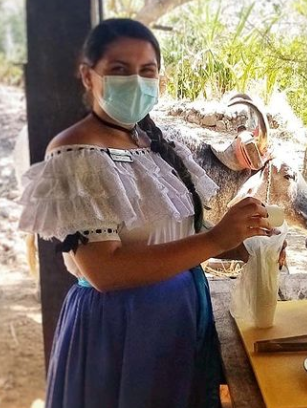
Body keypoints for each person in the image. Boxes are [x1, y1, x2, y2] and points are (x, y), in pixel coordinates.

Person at [18, 18, 274, 408]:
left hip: (177, 320)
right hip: (123, 331)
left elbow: (173, 235)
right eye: (119, 70)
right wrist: (214, 240)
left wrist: (241, 241)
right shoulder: (76, 154)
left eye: (146, 70)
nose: (135, 81)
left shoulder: (153, 141)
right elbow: (106, 271)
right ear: (89, 76)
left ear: (160, 79)